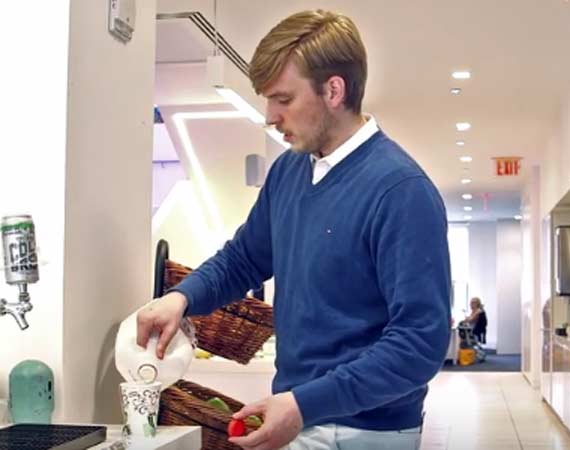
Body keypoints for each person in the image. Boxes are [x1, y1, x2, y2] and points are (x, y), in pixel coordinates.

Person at [137, 9, 451, 450]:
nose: (270, 116)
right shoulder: (289, 171)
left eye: (283, 99)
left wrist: (305, 403)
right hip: (299, 415)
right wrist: (181, 298)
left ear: (334, 90)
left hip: (365, 431)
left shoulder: (401, 190)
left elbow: (420, 342)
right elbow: (243, 259)